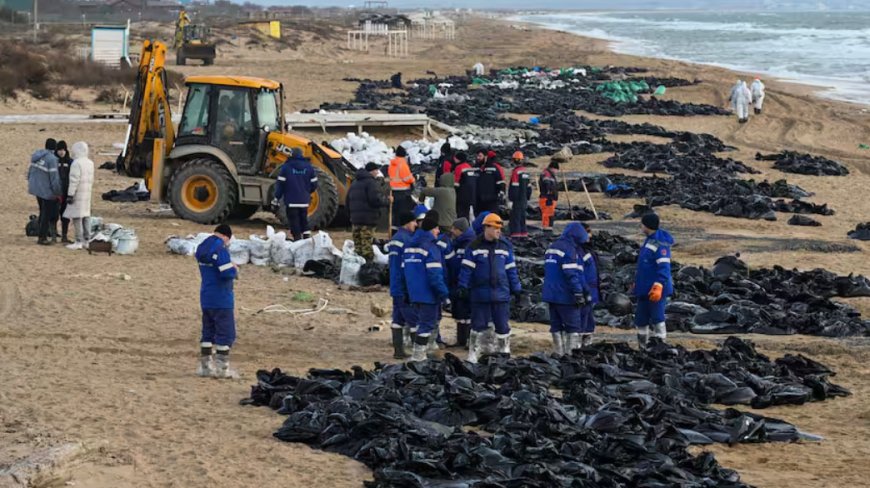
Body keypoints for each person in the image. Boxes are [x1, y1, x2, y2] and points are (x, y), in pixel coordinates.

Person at [457, 213, 522, 363]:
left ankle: (504, 352)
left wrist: (517, 288)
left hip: (501, 294)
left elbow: (511, 269)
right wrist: (463, 287)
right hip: (480, 294)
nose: (499, 231)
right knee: (477, 325)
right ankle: (473, 353)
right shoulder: (474, 247)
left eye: (500, 228)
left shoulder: (505, 247)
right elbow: (466, 270)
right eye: (496, 228)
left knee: (502, 326)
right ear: (487, 228)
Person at [399, 211, 449, 361]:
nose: (438, 231)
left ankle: (425, 352)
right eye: (436, 229)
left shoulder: (408, 247)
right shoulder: (431, 248)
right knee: (427, 324)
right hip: (428, 294)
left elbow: (403, 272)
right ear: (430, 230)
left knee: (420, 323)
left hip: (413, 293)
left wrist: (406, 292)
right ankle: (419, 355)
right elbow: (435, 276)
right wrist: (444, 294)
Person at [195, 224, 239, 378]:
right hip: (221, 298)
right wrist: (235, 269)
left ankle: (205, 367)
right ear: (226, 237)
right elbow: (226, 273)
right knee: (225, 333)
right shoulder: (220, 249)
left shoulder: (202, 247)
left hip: (206, 296)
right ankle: (222, 369)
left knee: (208, 332)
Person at [542, 222, 590, 354]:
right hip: (565, 295)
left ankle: (559, 354)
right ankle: (571, 357)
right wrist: (579, 292)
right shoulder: (569, 250)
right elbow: (571, 274)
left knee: (556, 326)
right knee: (573, 326)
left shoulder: (552, 247)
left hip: (550, 294)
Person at [633, 213, 674, 348]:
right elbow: (645, 266)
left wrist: (659, 285)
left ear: (647, 225)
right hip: (644, 288)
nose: (641, 226)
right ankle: (642, 347)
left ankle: (660, 346)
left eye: (642, 223)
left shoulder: (659, 244)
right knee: (641, 319)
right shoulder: (649, 240)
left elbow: (664, 267)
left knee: (657, 318)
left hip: (655, 290)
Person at [386, 211, 418, 359]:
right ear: (407, 222)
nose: (416, 225)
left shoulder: (395, 239)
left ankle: (398, 351)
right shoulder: (406, 240)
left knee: (398, 318)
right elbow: (407, 266)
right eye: (414, 222)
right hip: (403, 285)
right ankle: (418, 352)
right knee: (413, 319)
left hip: (395, 284)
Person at [348, 162, 391, 262]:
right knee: (366, 245)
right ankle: (368, 267)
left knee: (358, 246)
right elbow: (375, 200)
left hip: (355, 220)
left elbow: (347, 200)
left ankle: (357, 266)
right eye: (376, 170)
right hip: (367, 220)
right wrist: (388, 201)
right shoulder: (371, 183)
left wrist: (351, 216)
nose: (377, 173)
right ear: (372, 171)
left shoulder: (354, 182)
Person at [274, 148, 317, 241]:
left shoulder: (286, 167)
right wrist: (307, 191)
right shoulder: (309, 167)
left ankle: (297, 240)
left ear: (291, 155)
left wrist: (277, 197)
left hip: (291, 200)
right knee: (304, 219)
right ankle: (306, 238)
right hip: (304, 201)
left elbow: (280, 185)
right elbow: (314, 184)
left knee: (294, 220)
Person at [445, 217, 475, 347]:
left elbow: (464, 266)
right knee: (460, 312)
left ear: (460, 230)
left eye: (454, 229)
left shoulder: (468, 244)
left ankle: (467, 340)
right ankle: (461, 340)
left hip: (465, 284)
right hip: (457, 283)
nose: (452, 231)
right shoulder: (458, 242)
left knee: (466, 312)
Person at [27, 138, 61, 245]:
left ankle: (42, 234)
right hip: (46, 191)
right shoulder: (52, 159)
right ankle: (42, 237)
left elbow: (30, 172)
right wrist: (57, 192)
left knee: (42, 211)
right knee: (46, 214)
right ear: (55, 148)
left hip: (36, 188)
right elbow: (54, 178)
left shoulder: (37, 156)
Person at [63, 142, 95, 250]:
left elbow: (74, 181)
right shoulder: (90, 163)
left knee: (77, 217)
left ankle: (78, 240)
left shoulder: (76, 163)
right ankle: (87, 240)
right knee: (86, 216)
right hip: (87, 193)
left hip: (78, 193)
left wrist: (70, 194)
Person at [580, 223, 601, 346]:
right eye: (587, 231)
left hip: (591, 290)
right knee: (582, 317)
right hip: (584, 290)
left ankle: (587, 340)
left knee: (588, 316)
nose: (590, 235)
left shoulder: (589, 250)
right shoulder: (578, 251)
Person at [389, 146, 416, 231]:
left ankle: (393, 229)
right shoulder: (403, 164)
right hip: (402, 192)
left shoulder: (392, 164)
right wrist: (413, 179)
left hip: (393, 190)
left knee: (394, 213)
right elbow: (407, 178)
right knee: (401, 213)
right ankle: (400, 230)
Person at [507, 151, 532, 238]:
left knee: (516, 219)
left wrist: (511, 200)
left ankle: (516, 237)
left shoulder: (516, 172)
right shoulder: (525, 173)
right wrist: (527, 198)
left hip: (517, 201)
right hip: (524, 200)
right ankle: (524, 235)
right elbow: (529, 188)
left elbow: (514, 187)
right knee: (522, 219)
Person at [476, 150, 506, 214]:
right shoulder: (475, 168)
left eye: (480, 156)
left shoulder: (494, 168)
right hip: (478, 200)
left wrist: (501, 193)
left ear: (486, 157)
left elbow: (501, 182)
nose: (478, 158)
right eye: (477, 156)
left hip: (492, 200)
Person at [55, 141, 73, 244]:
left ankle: (64, 235)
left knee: (65, 216)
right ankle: (54, 233)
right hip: (56, 193)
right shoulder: (54, 161)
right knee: (54, 215)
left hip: (66, 193)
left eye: (63, 150)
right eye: (59, 150)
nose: (61, 152)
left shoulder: (70, 162)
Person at [452, 151, 478, 221]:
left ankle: (461, 229)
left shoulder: (459, 167)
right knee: (466, 214)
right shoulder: (469, 167)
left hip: (461, 196)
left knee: (460, 214)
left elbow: (456, 183)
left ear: (458, 159)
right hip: (471, 196)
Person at [539, 159, 560, 234]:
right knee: (547, 216)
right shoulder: (547, 174)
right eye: (556, 170)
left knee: (550, 215)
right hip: (548, 199)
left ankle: (549, 230)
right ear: (553, 168)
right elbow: (547, 184)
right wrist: (550, 194)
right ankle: (547, 232)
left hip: (550, 199)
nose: (556, 172)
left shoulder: (549, 174)